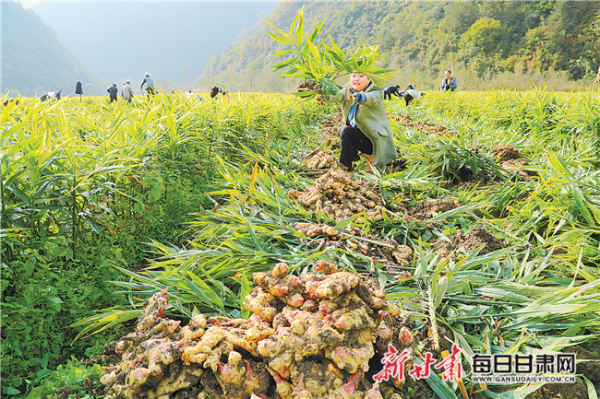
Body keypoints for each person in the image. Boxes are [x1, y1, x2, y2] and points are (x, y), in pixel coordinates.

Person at [317, 72, 398, 172]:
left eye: (361, 76)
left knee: (346, 132)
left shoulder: (376, 90)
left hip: (373, 139)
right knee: (342, 129)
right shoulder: (348, 88)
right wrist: (325, 96)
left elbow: (371, 99)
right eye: (354, 76)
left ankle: (345, 167)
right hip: (361, 135)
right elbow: (339, 96)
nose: (356, 79)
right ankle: (355, 157)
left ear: (369, 79)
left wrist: (359, 97)